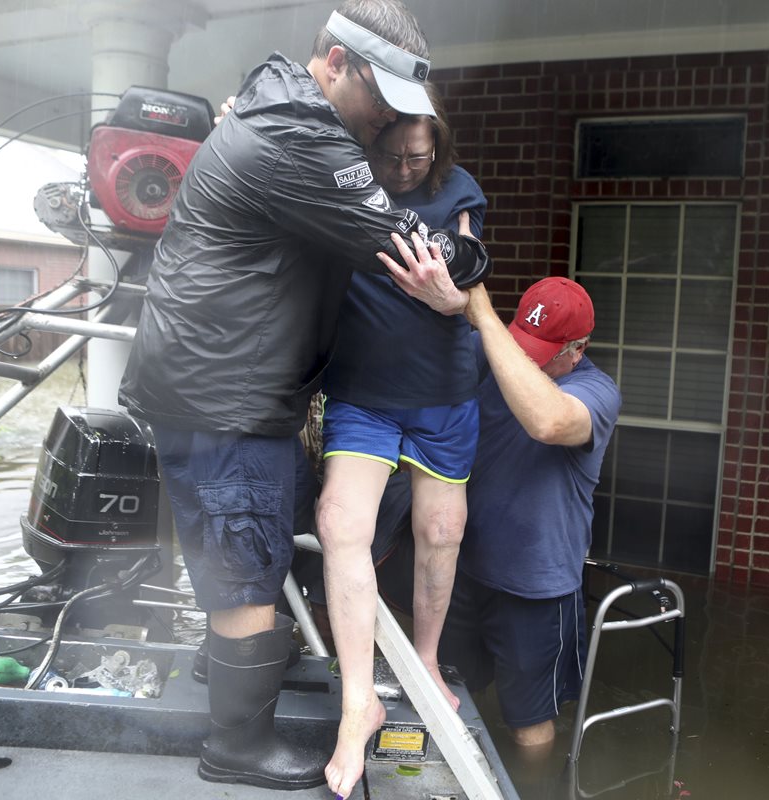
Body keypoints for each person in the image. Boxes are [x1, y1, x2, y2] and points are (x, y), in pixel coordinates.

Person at [117, 1, 488, 793]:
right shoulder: (301, 136)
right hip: (225, 392)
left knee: (248, 543)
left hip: (223, 380)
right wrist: (467, 249)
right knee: (247, 558)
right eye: (380, 93)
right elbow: (402, 241)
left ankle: (232, 673)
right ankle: (238, 745)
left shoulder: (283, 106)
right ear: (334, 64)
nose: (390, 117)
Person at [372, 264, 622, 753]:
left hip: (536, 586)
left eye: (542, 354)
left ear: (578, 351)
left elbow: (547, 422)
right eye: (521, 343)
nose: (524, 359)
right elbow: (418, 361)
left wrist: (483, 318)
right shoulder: (491, 354)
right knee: (449, 693)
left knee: (528, 725)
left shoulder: (597, 392)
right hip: (463, 572)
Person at [314, 89, 487, 797]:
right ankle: (360, 703)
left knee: (441, 529)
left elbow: (472, 256)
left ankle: (424, 659)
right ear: (374, 143)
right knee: (340, 523)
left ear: (437, 148)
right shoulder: (342, 180)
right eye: (393, 155)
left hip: (445, 392)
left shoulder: (458, 188)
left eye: (419, 156)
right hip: (363, 392)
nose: (406, 168)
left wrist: (451, 283)